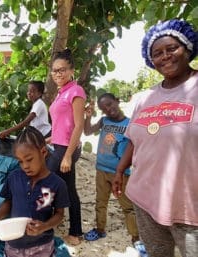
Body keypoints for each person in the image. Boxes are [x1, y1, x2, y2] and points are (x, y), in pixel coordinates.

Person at [112, 19, 198, 257]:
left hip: (189, 207)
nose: (165, 57)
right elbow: (133, 139)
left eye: (172, 49)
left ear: (187, 48)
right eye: (157, 53)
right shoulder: (144, 98)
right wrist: (120, 171)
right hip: (145, 199)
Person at [0, 126, 70, 257]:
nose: (25, 165)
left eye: (29, 159)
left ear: (43, 152)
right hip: (13, 244)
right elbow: (8, 202)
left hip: (42, 246)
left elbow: (59, 214)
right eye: (20, 161)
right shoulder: (14, 177)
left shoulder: (57, 184)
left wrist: (44, 226)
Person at [83, 93, 146, 256]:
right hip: (101, 169)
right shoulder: (104, 121)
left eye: (110, 104)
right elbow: (88, 131)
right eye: (104, 108)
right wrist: (87, 117)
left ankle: (136, 238)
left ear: (117, 101)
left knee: (128, 207)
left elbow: (136, 147)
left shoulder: (130, 124)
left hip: (121, 173)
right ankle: (100, 229)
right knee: (100, 201)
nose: (108, 110)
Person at [46, 48, 86, 245]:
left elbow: (79, 125)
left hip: (66, 149)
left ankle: (45, 226)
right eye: (54, 70)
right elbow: (62, 125)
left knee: (45, 183)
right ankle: (74, 231)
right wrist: (48, 140)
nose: (58, 74)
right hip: (58, 145)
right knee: (68, 189)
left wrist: (68, 156)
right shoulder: (60, 93)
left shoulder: (76, 91)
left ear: (71, 70)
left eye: (62, 70)